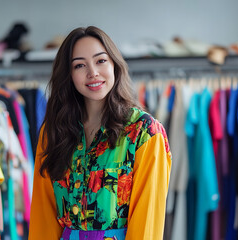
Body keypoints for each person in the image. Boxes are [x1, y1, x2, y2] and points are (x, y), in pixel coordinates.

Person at [29, 26, 172, 240]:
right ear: (69, 74)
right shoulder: (53, 131)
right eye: (79, 65)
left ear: (114, 64)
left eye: (101, 61)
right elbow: (43, 218)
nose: (92, 72)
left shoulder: (144, 133)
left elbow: (147, 225)